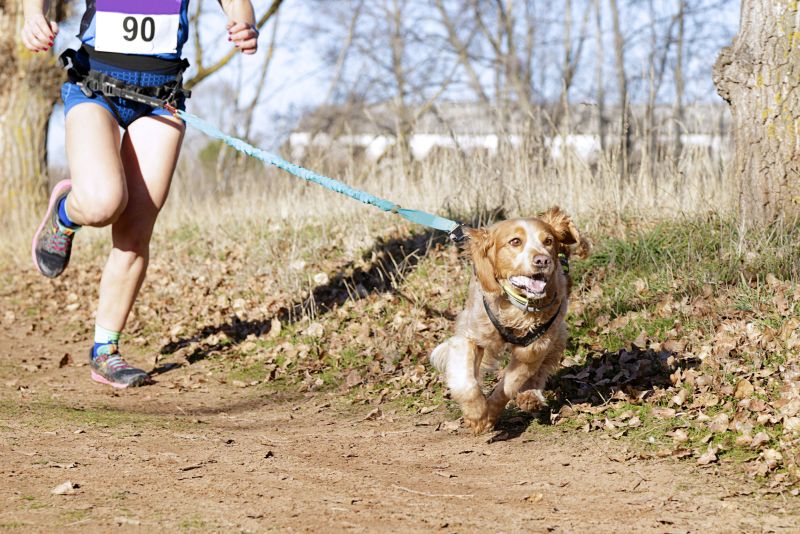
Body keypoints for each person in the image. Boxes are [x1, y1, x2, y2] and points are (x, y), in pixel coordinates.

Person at [22, 0, 259, 388]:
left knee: (134, 233)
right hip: (95, 85)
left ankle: (105, 352)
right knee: (101, 203)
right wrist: (34, 16)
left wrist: (243, 23)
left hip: (161, 97)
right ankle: (66, 214)